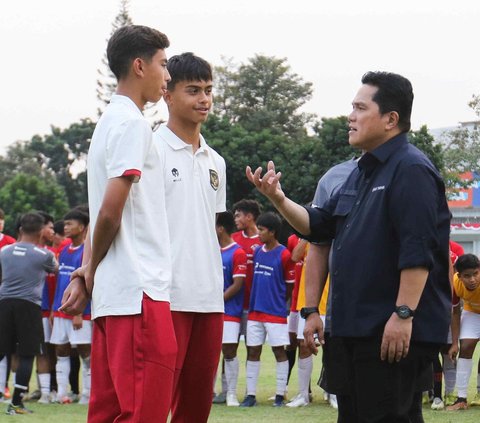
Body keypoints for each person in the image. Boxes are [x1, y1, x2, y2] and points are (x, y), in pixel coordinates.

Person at [247, 71, 451, 422]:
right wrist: (278, 199)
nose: (350, 116)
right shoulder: (360, 172)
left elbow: (418, 250)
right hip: (353, 329)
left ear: (390, 119)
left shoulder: (411, 169)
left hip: (388, 331)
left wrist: (403, 315)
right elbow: (320, 226)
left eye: (360, 107)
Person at [61, 25, 177, 423]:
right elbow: (109, 211)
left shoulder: (109, 122)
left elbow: (101, 215)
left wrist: (87, 272)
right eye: (164, 65)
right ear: (140, 65)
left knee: (109, 411)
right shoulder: (131, 124)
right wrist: (89, 269)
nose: (168, 76)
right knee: (144, 410)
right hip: (138, 290)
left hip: (116, 295)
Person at [153, 51, 226, 423]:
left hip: (210, 297)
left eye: (209, 90)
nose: (204, 100)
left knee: (197, 407)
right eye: (193, 90)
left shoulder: (216, 161)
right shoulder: (152, 149)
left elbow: (206, 226)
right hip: (165, 296)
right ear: (167, 93)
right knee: (154, 402)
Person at [0, 212, 58, 415]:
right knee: (27, 354)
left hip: (4, 303)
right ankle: (16, 404)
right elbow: (55, 269)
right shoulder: (44, 256)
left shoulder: (4, 251)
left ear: (20, 229)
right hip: (29, 307)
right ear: (41, 230)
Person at [240, 212, 295, 408]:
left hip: (275, 313)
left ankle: (280, 394)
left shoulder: (285, 254)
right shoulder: (257, 252)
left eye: (262, 230)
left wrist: (277, 301)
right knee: (253, 351)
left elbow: (289, 285)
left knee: (279, 351)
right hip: (255, 311)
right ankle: (251, 395)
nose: (259, 234)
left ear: (272, 232)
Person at [50, 209, 90, 405]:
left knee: (85, 352)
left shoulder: (86, 251)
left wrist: (79, 312)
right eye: (64, 224)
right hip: (60, 311)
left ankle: (87, 395)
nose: (65, 227)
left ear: (81, 227)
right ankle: (62, 394)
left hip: (80, 313)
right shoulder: (64, 250)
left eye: (69, 224)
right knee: (61, 350)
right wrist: (52, 309)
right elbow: (60, 282)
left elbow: (86, 283)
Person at [215, 211, 247, 406]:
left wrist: (217, 299)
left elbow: (237, 284)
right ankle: (216, 392)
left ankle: (231, 394)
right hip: (212, 310)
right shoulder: (213, 251)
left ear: (221, 228)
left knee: (229, 350)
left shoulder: (238, 252)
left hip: (230, 311)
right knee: (211, 351)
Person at [446, 253, 480, 410]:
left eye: (476, 274)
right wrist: (454, 343)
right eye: (467, 276)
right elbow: (455, 313)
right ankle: (461, 399)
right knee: (465, 346)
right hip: (471, 311)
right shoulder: (455, 283)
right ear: (459, 276)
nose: (472, 279)